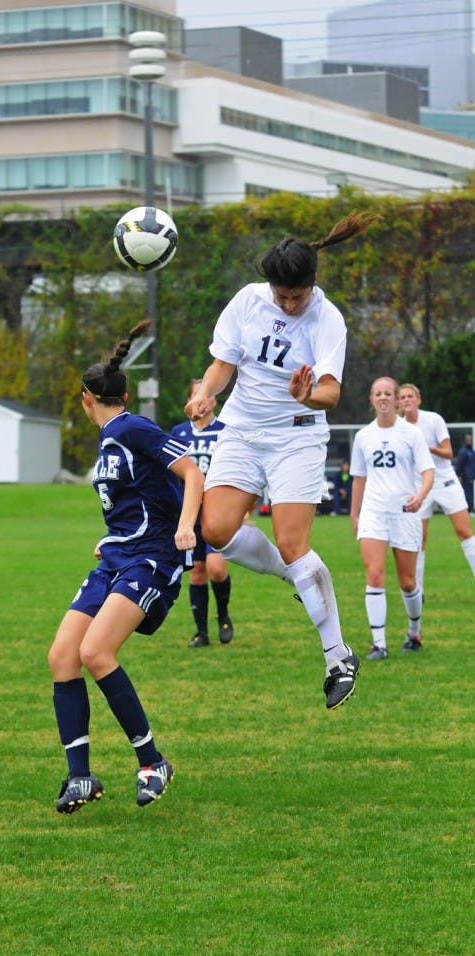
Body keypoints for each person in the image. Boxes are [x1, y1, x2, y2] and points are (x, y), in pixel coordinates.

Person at [185, 210, 379, 711]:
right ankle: (299, 578)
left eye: (296, 296)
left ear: (313, 284)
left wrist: (307, 395)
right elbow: (223, 363)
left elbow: (332, 394)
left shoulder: (328, 318)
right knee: (217, 530)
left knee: (294, 543)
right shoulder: (248, 300)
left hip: (297, 436)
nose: (289, 305)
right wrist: (206, 393)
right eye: (281, 296)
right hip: (243, 432)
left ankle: (338, 656)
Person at [47, 321, 204, 814]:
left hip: (152, 558)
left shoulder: (133, 427)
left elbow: (192, 473)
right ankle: (81, 778)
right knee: (62, 656)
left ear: (85, 399)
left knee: (96, 652)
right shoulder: (112, 437)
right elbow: (135, 500)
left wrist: (184, 527)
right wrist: (110, 537)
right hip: (119, 555)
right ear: (122, 392)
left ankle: (152, 762)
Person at [349, 378, 434, 659]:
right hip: (374, 513)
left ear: (397, 400)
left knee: (408, 581)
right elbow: (359, 479)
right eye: (378, 393)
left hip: (405, 513)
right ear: (371, 400)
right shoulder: (363, 436)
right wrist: (354, 512)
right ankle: (379, 644)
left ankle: (414, 631)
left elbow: (427, 472)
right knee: (374, 574)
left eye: (388, 393)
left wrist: (420, 496)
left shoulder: (411, 434)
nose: (383, 397)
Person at [170, 378, 234, 647]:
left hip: (217, 509)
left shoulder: (226, 430)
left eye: (206, 395)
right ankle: (202, 633)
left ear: (214, 400)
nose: (201, 400)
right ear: (189, 402)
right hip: (189, 511)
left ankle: (223, 613)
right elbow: (171, 473)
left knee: (217, 568)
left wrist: (239, 509)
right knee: (196, 571)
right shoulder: (179, 433)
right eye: (195, 395)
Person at [398, 384, 475, 592]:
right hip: (420, 486)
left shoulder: (433, 419)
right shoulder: (399, 428)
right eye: (403, 397)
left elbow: (449, 452)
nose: (406, 400)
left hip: (445, 482)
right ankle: (417, 591)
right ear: (399, 402)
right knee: (419, 538)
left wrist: (427, 447)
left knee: (464, 531)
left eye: (410, 396)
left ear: (418, 399)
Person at [455, 433, 475, 514]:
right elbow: (459, 464)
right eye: (468, 440)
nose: (470, 441)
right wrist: (459, 475)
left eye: (471, 440)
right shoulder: (463, 451)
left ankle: (470, 509)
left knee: (470, 493)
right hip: (465, 477)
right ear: (465, 441)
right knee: (466, 494)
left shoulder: (472, 451)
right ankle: (468, 510)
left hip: (471, 476)